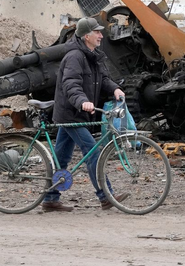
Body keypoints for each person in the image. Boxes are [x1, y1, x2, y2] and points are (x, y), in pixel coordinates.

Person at [41, 17, 128, 212]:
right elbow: (71, 84)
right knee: (92, 152)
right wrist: (82, 101)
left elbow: (103, 79)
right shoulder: (75, 56)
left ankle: (50, 199)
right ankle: (106, 196)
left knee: (61, 158)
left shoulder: (92, 54)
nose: (100, 35)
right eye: (97, 32)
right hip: (71, 113)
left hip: (76, 113)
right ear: (86, 36)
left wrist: (114, 88)